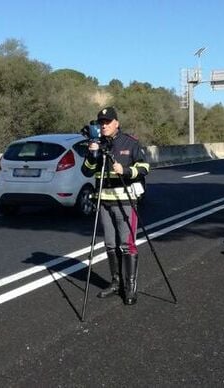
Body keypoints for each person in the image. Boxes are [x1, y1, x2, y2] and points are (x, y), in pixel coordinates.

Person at [81, 107, 150, 305]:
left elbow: (145, 167)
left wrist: (126, 170)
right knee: (110, 245)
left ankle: (130, 288)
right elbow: (87, 171)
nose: (104, 125)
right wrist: (92, 155)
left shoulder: (130, 142)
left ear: (116, 123)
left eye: (108, 122)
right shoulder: (96, 144)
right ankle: (115, 283)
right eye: (101, 122)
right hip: (104, 202)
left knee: (127, 245)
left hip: (126, 201)